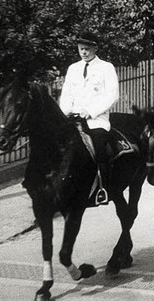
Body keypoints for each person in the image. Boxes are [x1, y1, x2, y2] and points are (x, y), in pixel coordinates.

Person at [59, 32, 119, 198]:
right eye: (80, 49)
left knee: (99, 147)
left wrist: (91, 111)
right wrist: (66, 111)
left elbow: (112, 95)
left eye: (87, 49)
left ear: (95, 48)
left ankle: (103, 187)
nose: (83, 52)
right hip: (73, 119)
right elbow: (66, 94)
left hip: (96, 120)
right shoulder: (73, 69)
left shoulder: (106, 68)